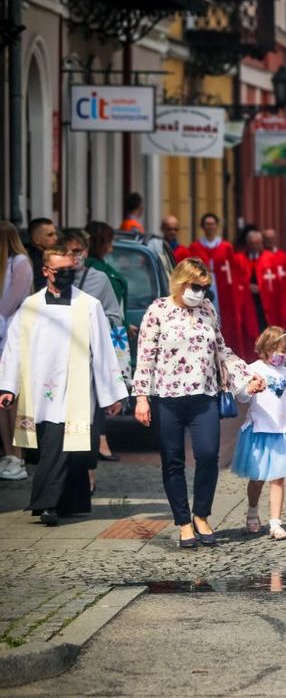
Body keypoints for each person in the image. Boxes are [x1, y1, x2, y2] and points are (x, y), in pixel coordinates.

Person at [133, 258, 265, 548]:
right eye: (196, 286)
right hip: (166, 397)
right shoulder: (158, 310)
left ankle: (201, 515)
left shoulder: (207, 309)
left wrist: (247, 376)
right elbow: (145, 356)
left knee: (208, 455)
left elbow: (221, 350)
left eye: (205, 288)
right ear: (181, 282)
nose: (200, 293)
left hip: (204, 395)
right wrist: (141, 397)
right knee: (173, 460)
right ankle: (183, 522)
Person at [0, 247, 127, 526]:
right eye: (61, 271)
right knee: (61, 447)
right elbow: (14, 348)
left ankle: (46, 504)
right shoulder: (30, 306)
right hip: (39, 392)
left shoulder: (89, 305)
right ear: (46, 271)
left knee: (59, 446)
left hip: (74, 391)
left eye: (72, 270)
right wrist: (7, 386)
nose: (68, 275)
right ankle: (72, 502)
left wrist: (111, 394)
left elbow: (103, 351)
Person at [232, 326, 286, 541]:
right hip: (259, 431)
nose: (284, 355)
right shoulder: (253, 369)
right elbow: (241, 397)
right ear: (267, 348)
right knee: (257, 478)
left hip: (280, 431)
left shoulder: (285, 372)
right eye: (280, 350)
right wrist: (250, 389)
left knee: (278, 479)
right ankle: (252, 510)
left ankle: (275, 524)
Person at [61, 230, 127, 468]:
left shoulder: (99, 279)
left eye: (77, 251)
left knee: (91, 407)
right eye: (67, 251)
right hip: (60, 356)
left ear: (86, 252)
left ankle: (89, 464)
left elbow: (114, 316)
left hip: (88, 354)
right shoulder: (52, 278)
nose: (73, 256)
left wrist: (92, 322)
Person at [189, 213, 257, 362]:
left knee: (225, 322)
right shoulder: (195, 247)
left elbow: (234, 271)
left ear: (217, 226)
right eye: (207, 224)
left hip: (223, 291)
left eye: (212, 224)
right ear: (202, 226)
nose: (210, 227)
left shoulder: (226, 247)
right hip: (204, 288)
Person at [0, 222, 33, 481]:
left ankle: (19, 457)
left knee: (15, 401)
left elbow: (10, 303)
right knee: (2, 402)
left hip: (14, 337)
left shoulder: (19, 262)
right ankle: (8, 454)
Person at [261, 228, 286, 331]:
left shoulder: (283, 256)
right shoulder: (261, 256)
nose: (270, 240)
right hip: (268, 298)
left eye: (272, 238)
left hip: (282, 297)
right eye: (267, 238)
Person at [27, 218, 58, 291]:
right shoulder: (34, 262)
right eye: (50, 235)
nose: (56, 238)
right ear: (36, 240)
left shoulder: (49, 256)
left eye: (55, 234)